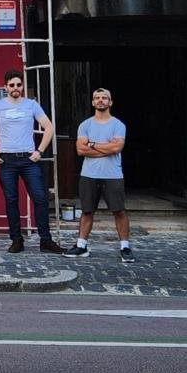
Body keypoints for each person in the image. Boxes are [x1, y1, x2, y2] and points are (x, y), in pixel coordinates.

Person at [0, 70, 63, 254]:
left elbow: (49, 127)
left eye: (18, 85)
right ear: (6, 87)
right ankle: (16, 240)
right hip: (6, 160)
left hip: (28, 159)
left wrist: (39, 151)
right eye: (12, 85)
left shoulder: (31, 105)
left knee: (40, 198)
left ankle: (45, 240)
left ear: (22, 86)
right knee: (11, 200)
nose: (15, 88)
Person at [61, 89, 133, 263]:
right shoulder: (85, 125)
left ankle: (125, 247)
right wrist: (106, 148)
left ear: (110, 102)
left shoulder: (118, 124)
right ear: (93, 102)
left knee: (119, 211)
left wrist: (92, 145)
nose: (100, 101)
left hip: (113, 175)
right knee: (87, 211)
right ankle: (81, 245)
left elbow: (117, 148)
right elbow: (80, 150)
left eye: (104, 98)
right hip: (89, 174)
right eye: (97, 98)